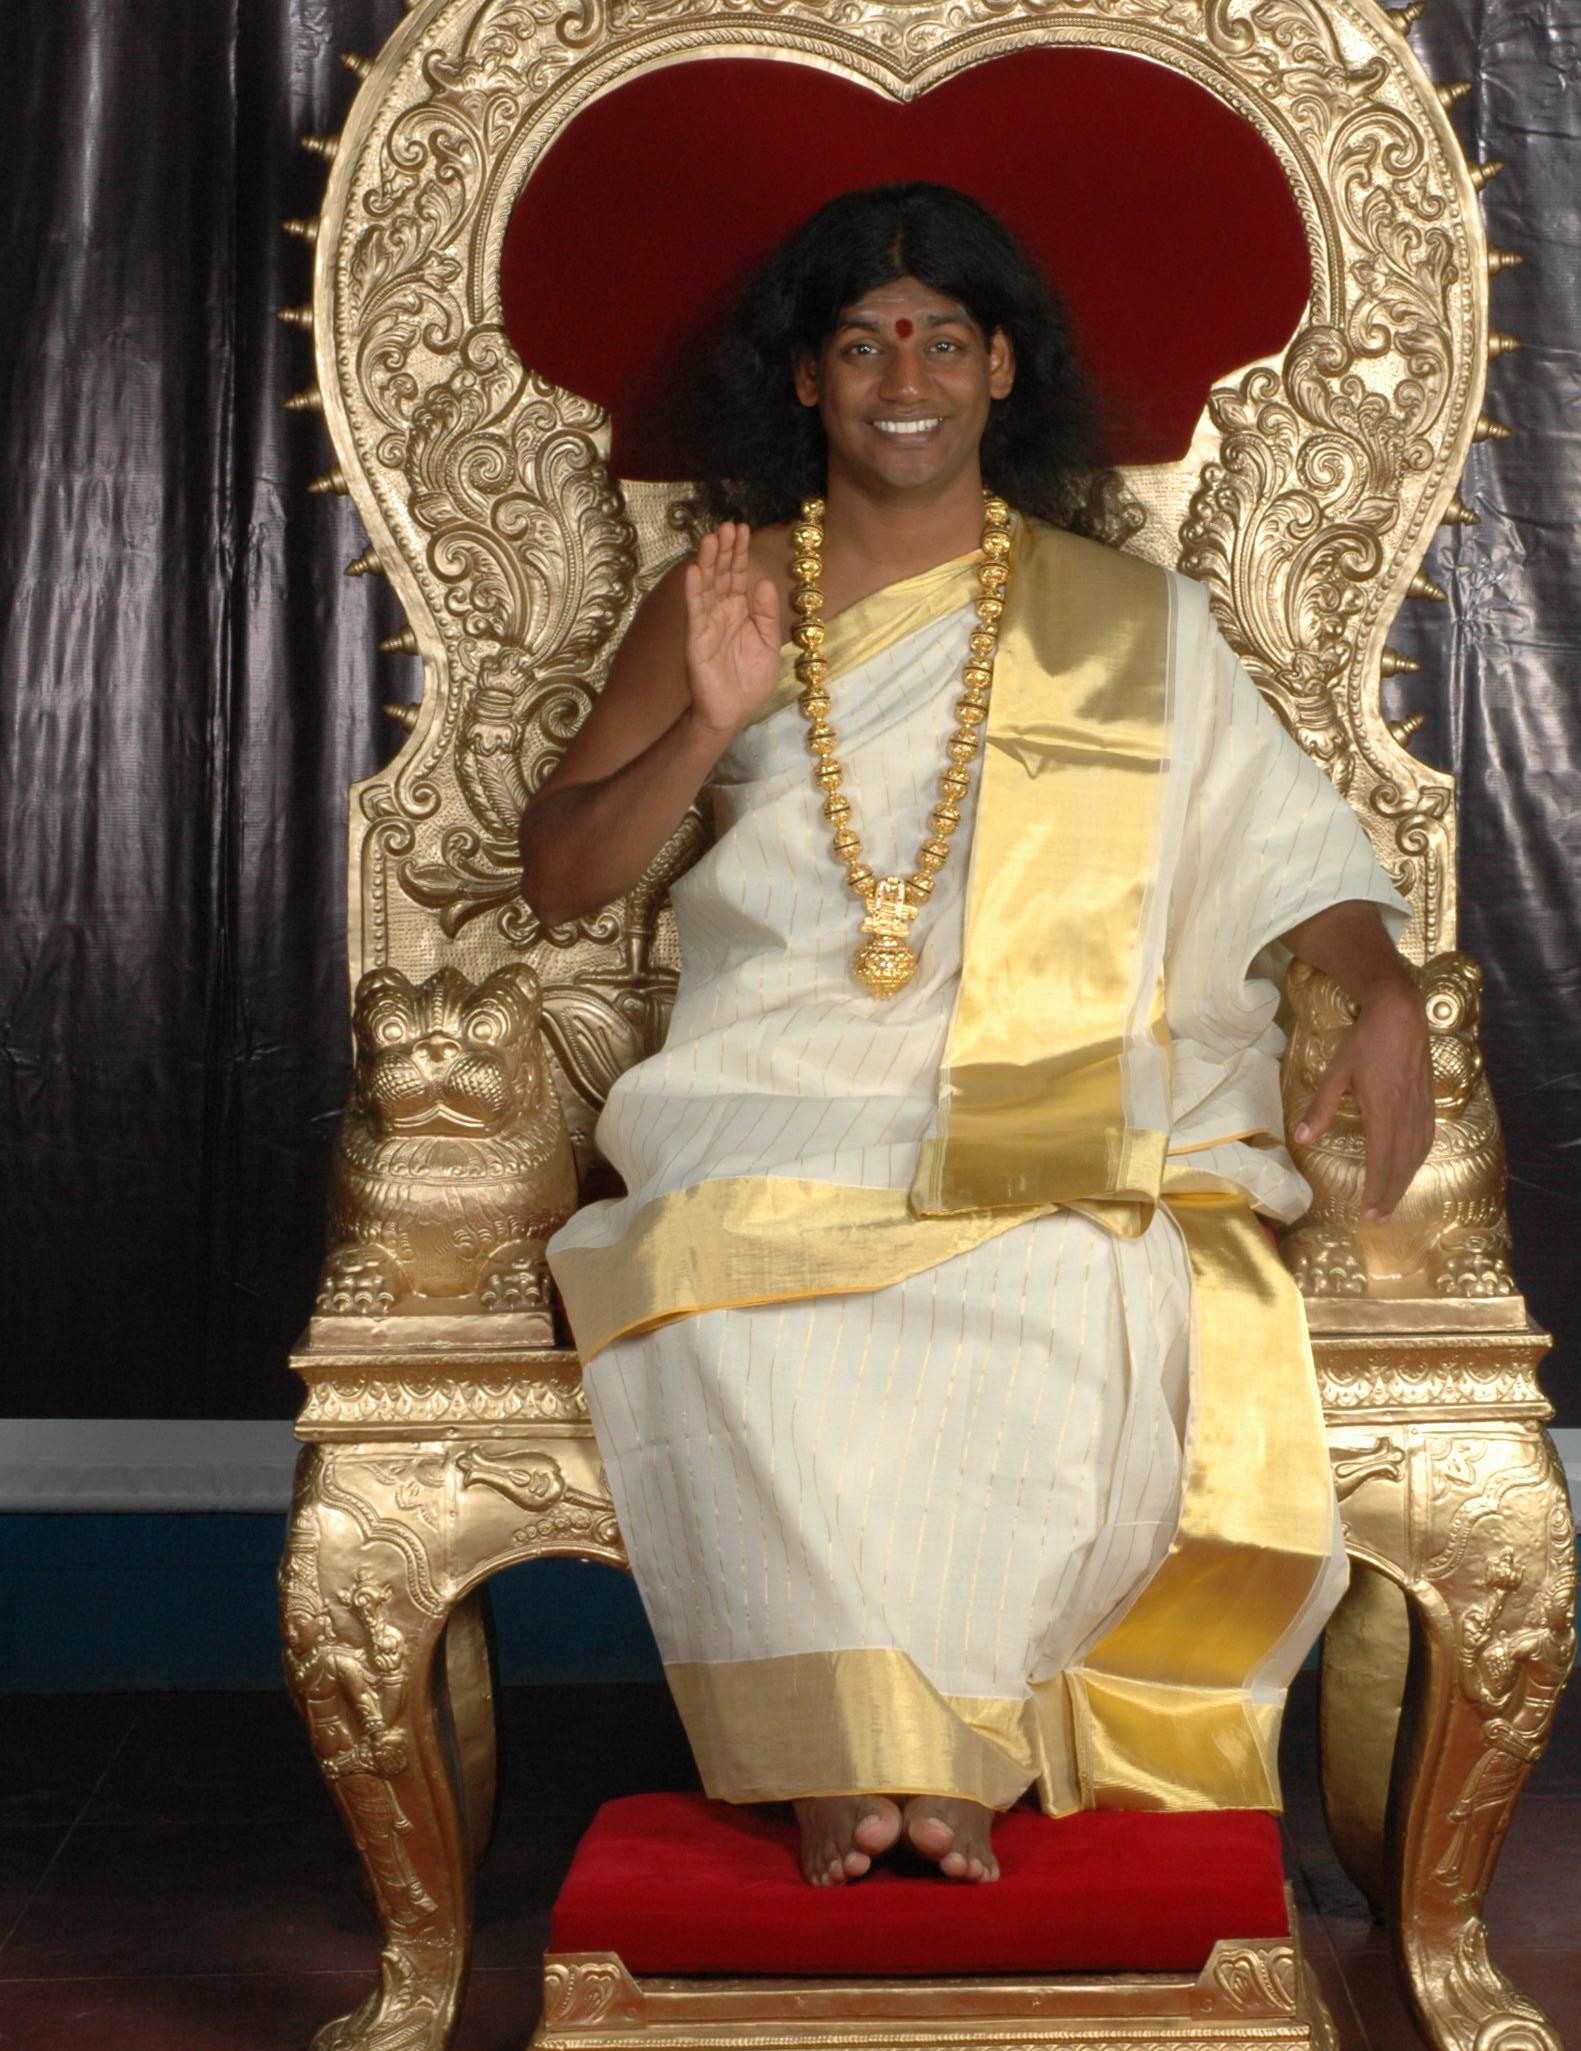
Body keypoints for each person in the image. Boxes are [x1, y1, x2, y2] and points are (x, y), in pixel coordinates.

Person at [522, 184, 1434, 1888]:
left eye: (943, 339)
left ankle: (941, 1751)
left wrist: (1381, 986)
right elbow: (565, 877)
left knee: (1065, 1267)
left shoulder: (1130, 621)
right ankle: (851, 1746)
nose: (905, 378)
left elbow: (1287, 849)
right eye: (862, 344)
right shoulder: (727, 596)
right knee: (720, 1269)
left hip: (1055, 1086)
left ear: (1003, 368)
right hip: (772, 1084)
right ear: (807, 380)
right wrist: (706, 721)